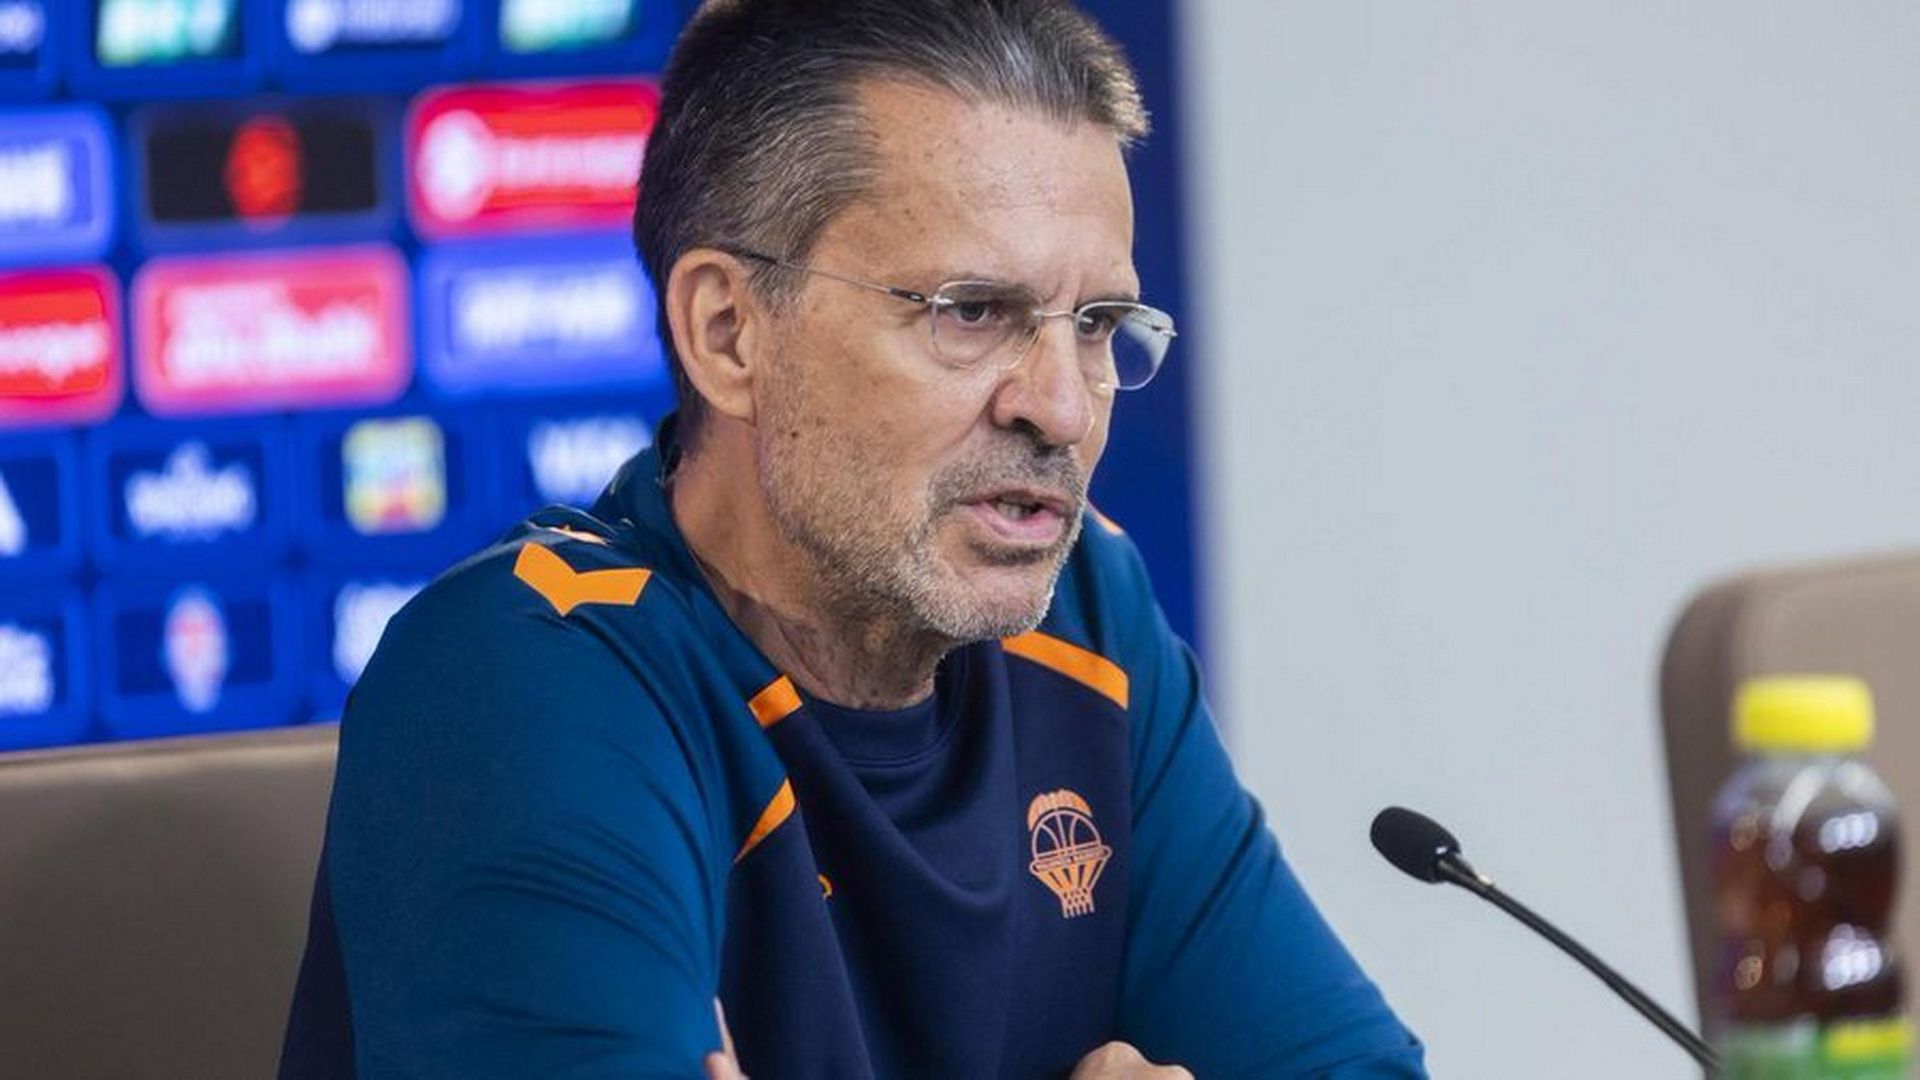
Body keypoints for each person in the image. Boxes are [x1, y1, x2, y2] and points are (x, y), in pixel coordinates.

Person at [279, 1, 1428, 1077]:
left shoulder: (1090, 613)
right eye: (972, 312)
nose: (1063, 408)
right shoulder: (526, 678)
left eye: (1097, 325)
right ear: (728, 331)